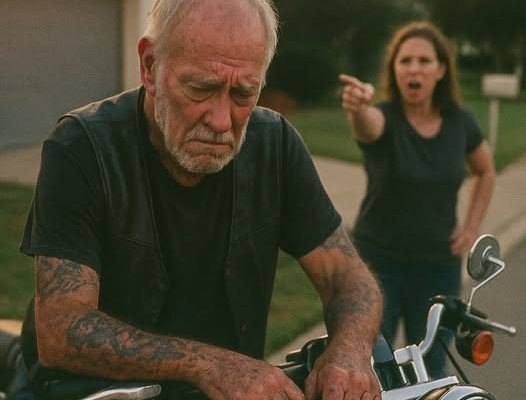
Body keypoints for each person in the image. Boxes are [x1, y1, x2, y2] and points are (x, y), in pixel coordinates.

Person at [18, 0, 383, 399]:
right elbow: (61, 327)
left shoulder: (274, 144)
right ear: (150, 66)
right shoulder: (82, 145)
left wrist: (350, 352)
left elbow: (346, 276)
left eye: (243, 93)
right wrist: (208, 365)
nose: (222, 121)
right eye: (201, 88)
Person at [339, 21, 495, 379]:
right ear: (394, 70)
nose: (414, 68)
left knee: (432, 370)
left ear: (440, 70)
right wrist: (357, 109)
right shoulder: (384, 117)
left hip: (437, 267)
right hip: (377, 265)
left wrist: (471, 227)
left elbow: (485, 171)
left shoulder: (461, 122)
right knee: (371, 368)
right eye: (405, 60)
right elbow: (368, 125)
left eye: (424, 61)